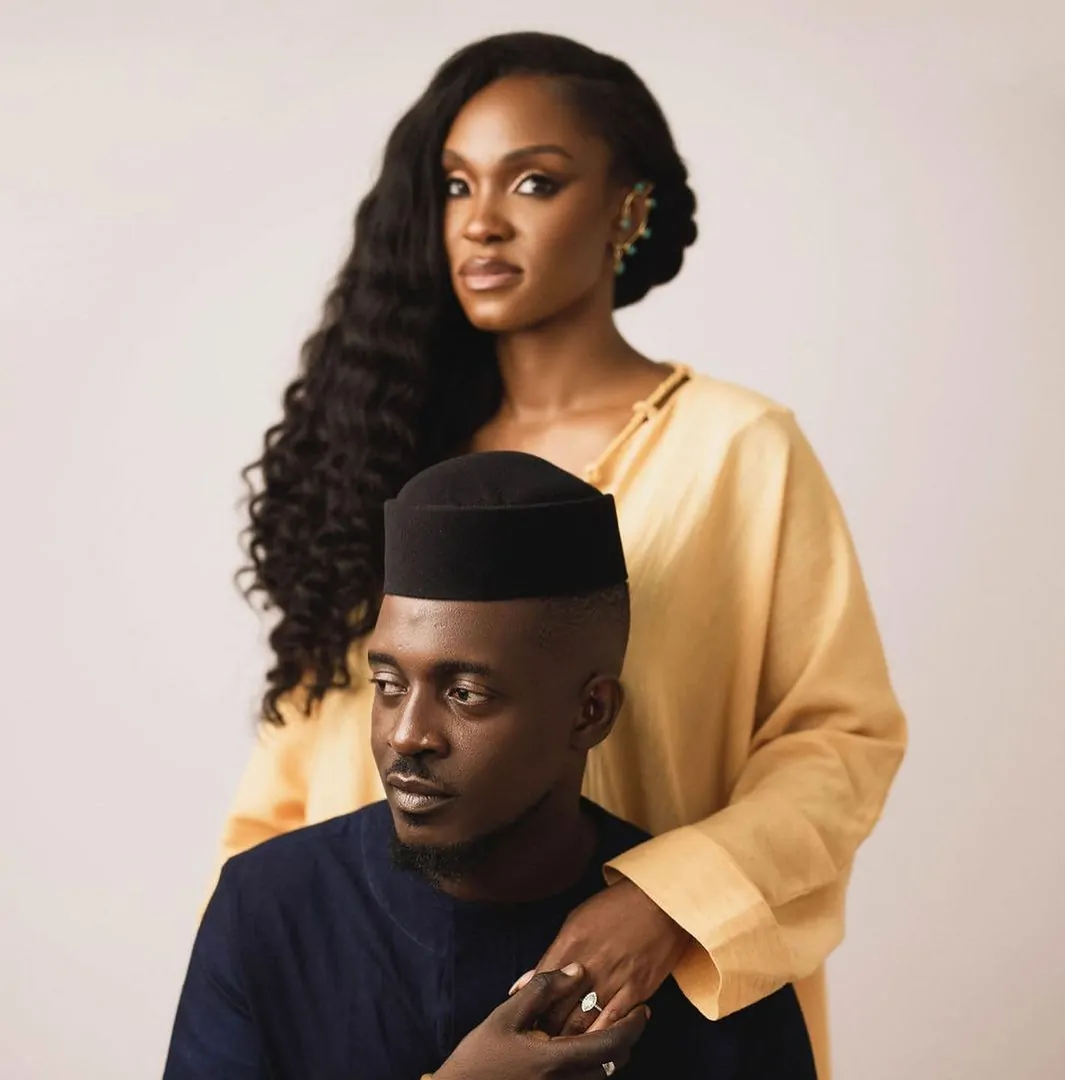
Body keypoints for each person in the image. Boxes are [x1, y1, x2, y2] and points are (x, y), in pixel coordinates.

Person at [222, 30, 906, 1079]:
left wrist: (667, 901)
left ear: (628, 209)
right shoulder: (385, 455)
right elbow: (289, 782)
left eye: (533, 181)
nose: (482, 221)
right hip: (370, 1000)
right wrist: (251, 975)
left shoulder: (735, 450)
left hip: (641, 1001)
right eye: (456, 185)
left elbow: (838, 741)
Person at [168, 452, 818, 1079]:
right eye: (388, 684)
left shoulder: (697, 957)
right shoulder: (267, 909)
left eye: (465, 694)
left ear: (590, 713)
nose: (407, 734)